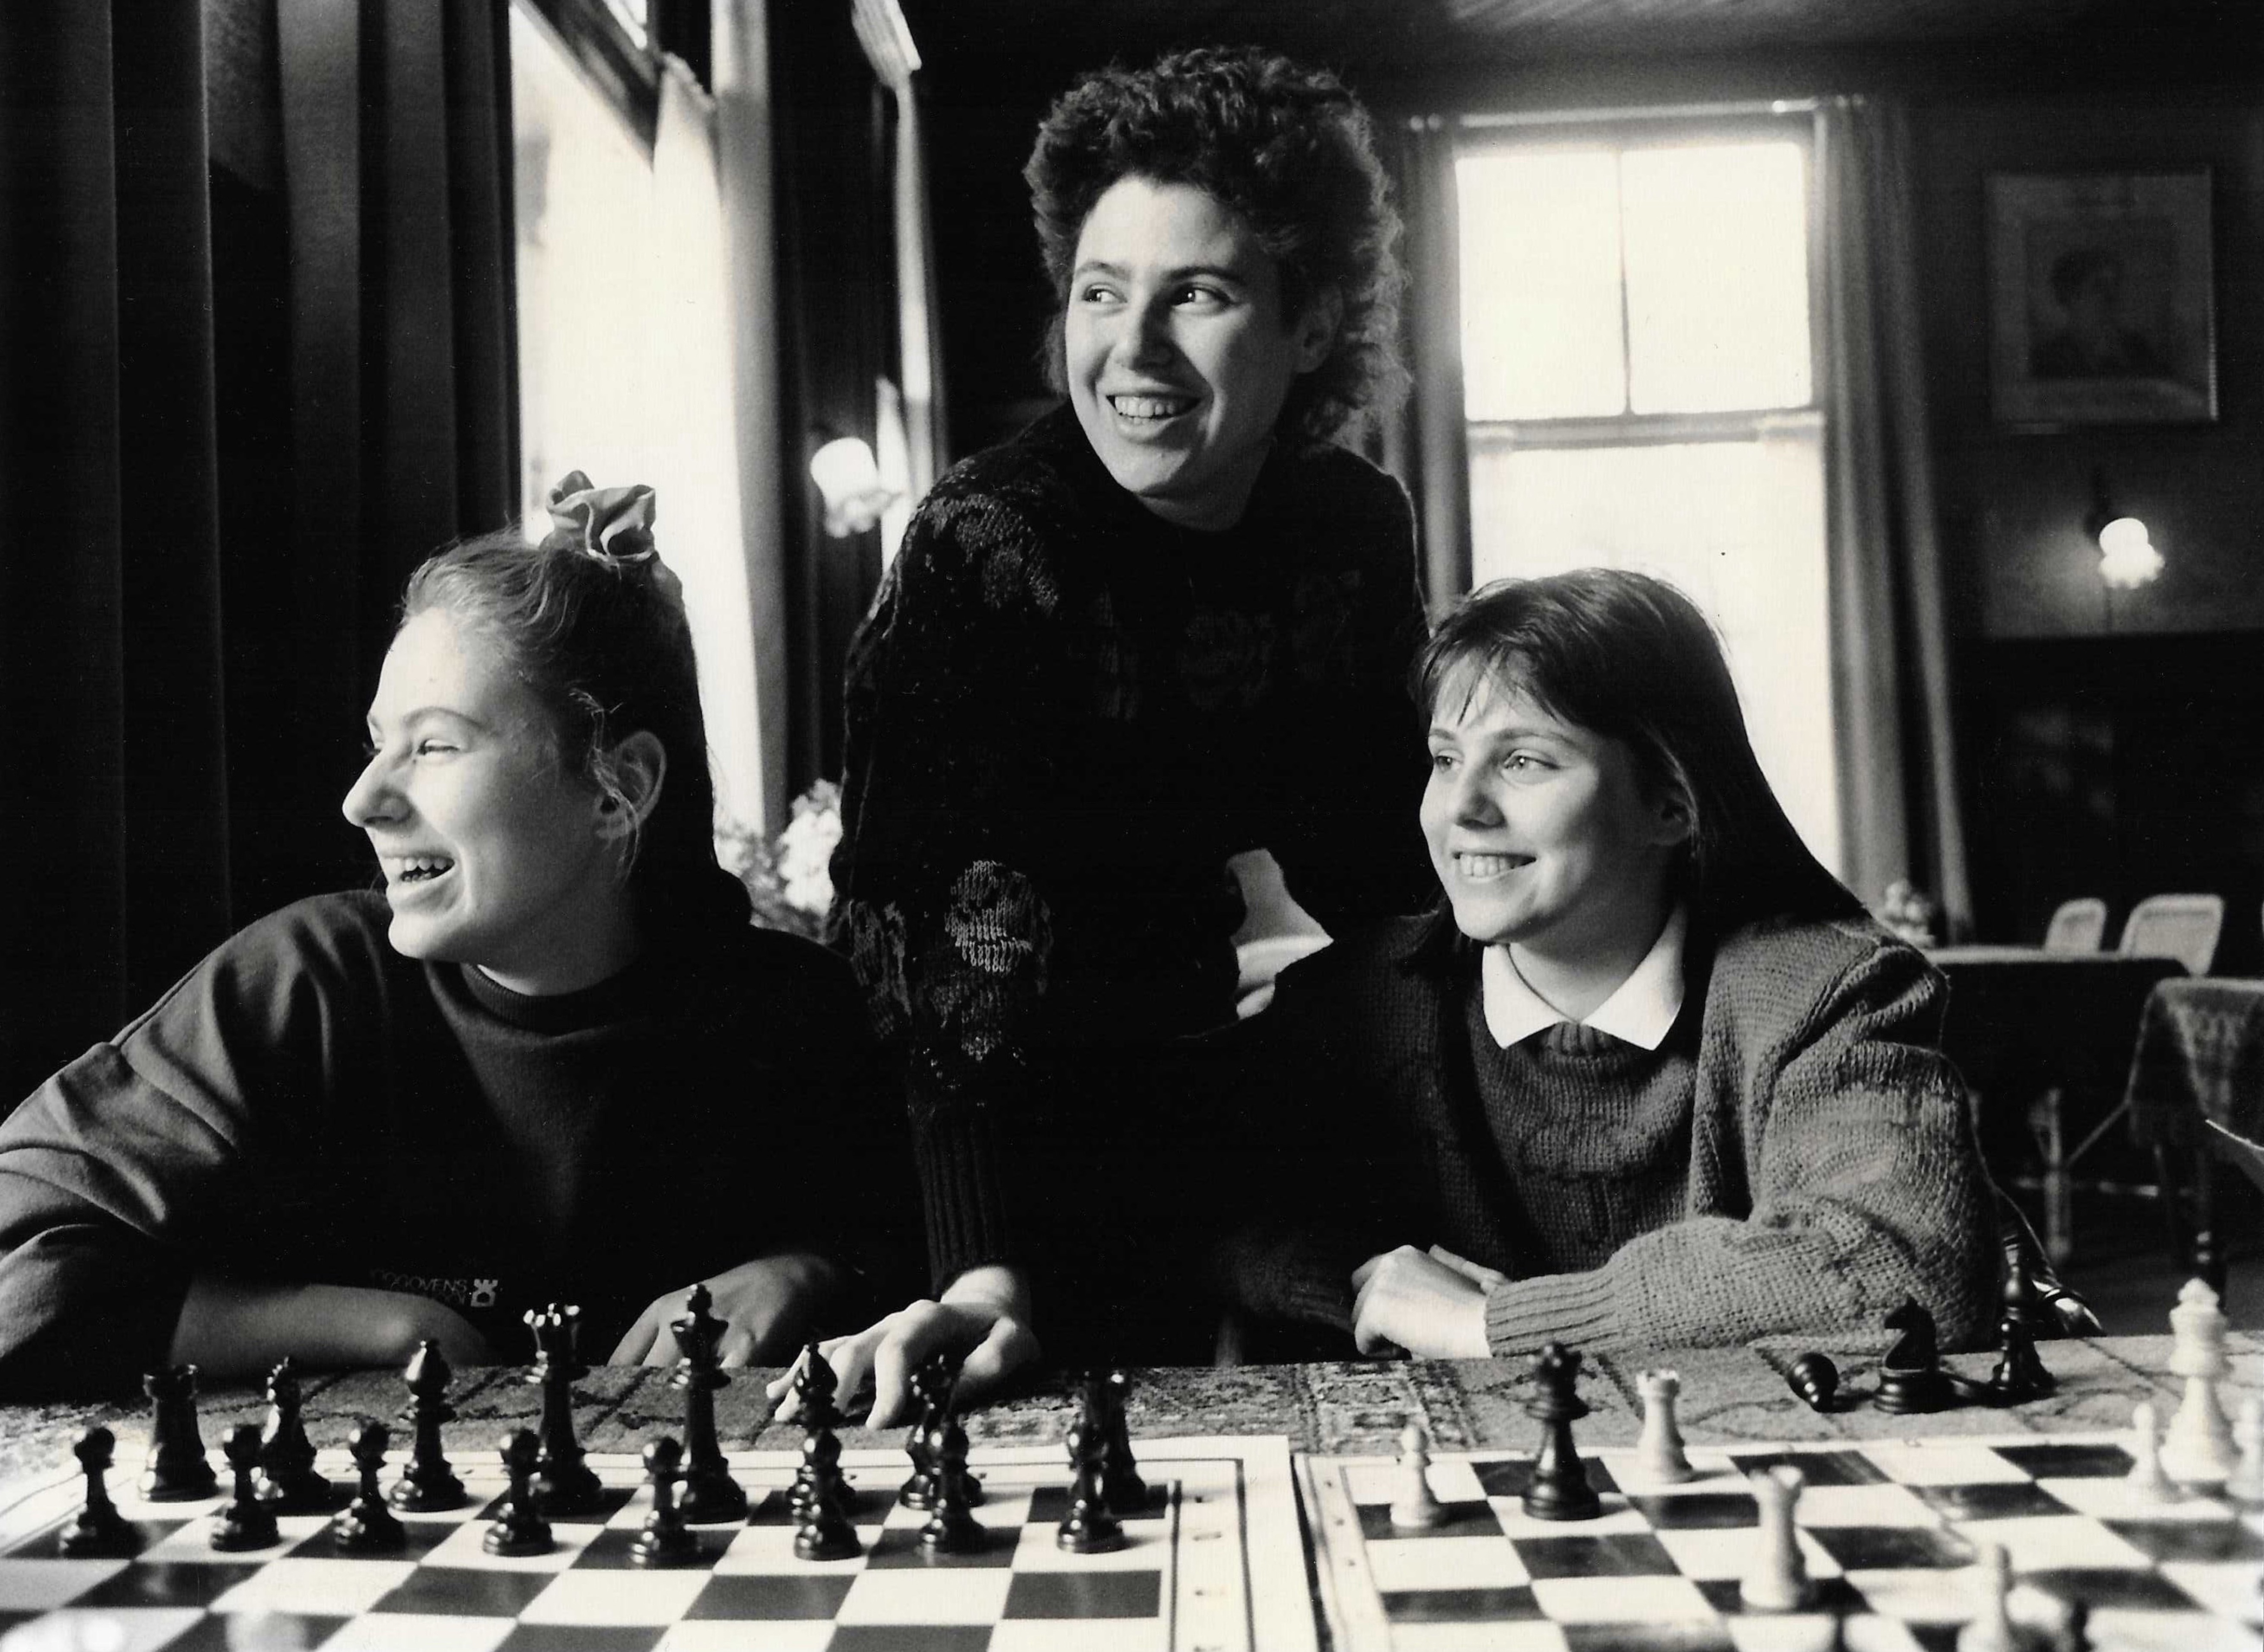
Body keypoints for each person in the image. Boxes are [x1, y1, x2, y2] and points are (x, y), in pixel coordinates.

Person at [794, 46, 1434, 1424]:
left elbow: (1383, 870)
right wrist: (983, 1270)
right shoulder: (991, 542)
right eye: (1099, 292)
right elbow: (950, 927)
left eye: (1195, 293)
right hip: (944, 1142)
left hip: (1192, 1093)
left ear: (1312, 322)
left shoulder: (1347, 526)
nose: (1130, 352)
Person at [0, 475, 908, 1398]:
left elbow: (938, 1262)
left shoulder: (792, 1016)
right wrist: (368, 1322)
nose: (364, 801)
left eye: (434, 746)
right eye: (378, 744)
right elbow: (15, 1270)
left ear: (618, 789)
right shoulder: (304, 987)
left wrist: (814, 1273)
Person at [1211, 569, 2000, 1358]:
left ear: (1672, 805)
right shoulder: (1352, 1000)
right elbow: (1198, 1202)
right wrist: (1359, 1282)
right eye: (1446, 760)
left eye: (1524, 761)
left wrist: (1492, 1325)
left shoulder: (1829, 994)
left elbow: (1910, 1268)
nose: (1461, 809)